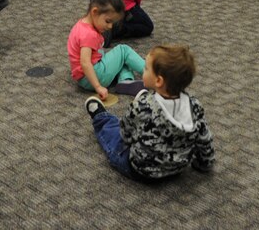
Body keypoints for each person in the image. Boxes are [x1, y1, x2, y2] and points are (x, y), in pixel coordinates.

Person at [84, 44, 215, 181]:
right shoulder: (194, 106)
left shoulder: (143, 106)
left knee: (114, 134)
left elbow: (125, 134)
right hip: (176, 169)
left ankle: (100, 116)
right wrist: (204, 164)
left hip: (141, 170)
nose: (143, 71)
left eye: (146, 68)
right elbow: (204, 139)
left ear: (158, 81)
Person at [67, 0, 146, 100]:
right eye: (108, 21)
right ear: (94, 12)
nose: (110, 27)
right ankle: (151, 73)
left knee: (121, 59)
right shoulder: (88, 34)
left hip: (85, 77)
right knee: (124, 50)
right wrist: (98, 87)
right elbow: (85, 63)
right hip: (93, 77)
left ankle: (126, 81)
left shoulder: (81, 24)